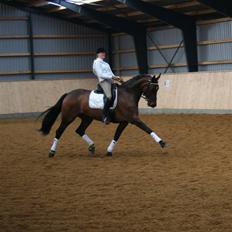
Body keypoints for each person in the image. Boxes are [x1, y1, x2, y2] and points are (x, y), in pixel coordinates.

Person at [93, 48, 123, 124]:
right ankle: (105, 115)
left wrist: (118, 78)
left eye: (104, 53)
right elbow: (100, 74)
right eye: (101, 53)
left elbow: (111, 74)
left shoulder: (106, 64)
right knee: (109, 96)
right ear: (98, 54)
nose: (103, 54)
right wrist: (113, 77)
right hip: (103, 82)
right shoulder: (96, 62)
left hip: (111, 81)